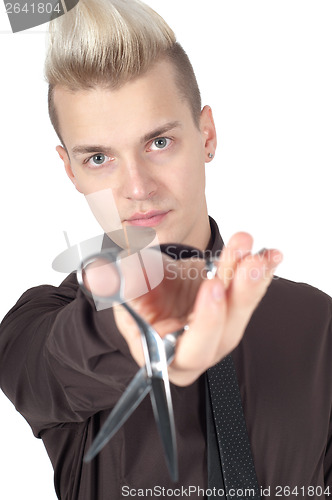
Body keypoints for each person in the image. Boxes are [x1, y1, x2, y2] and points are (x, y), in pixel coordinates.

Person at [0, 0, 331, 499]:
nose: (137, 186)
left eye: (158, 143)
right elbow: (69, 357)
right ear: (71, 172)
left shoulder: (318, 325)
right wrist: (139, 327)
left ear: (207, 135)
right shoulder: (37, 327)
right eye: (98, 157)